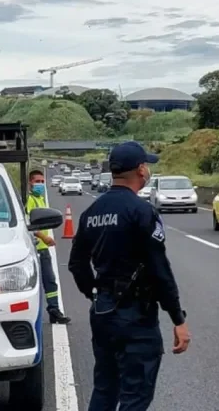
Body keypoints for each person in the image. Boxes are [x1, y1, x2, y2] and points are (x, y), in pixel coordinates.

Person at [68, 141, 191, 411]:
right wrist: (177, 319)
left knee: (105, 389)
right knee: (136, 394)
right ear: (140, 170)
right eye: (146, 166)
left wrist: (96, 293)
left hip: (103, 313)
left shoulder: (91, 213)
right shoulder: (142, 211)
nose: (147, 171)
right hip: (136, 316)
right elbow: (160, 269)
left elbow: (76, 264)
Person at [26, 170, 71, 325]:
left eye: (41, 181)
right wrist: (44, 236)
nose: (40, 184)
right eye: (36, 181)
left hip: (43, 249)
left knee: (50, 282)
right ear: (30, 183)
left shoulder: (41, 199)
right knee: (31, 285)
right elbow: (28, 224)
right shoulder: (29, 200)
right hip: (32, 250)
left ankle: (54, 310)